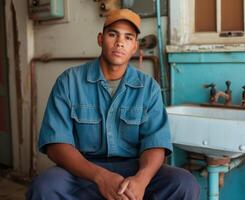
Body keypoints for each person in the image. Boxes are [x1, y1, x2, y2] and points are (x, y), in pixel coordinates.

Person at [26, 9, 200, 200]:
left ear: (134, 46)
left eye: (128, 37)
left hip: (134, 170)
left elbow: (156, 144)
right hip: (83, 171)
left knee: (184, 183)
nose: (120, 42)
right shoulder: (69, 82)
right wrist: (101, 177)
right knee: (44, 186)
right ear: (100, 39)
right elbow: (56, 144)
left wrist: (141, 180)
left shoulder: (148, 87)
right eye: (113, 34)